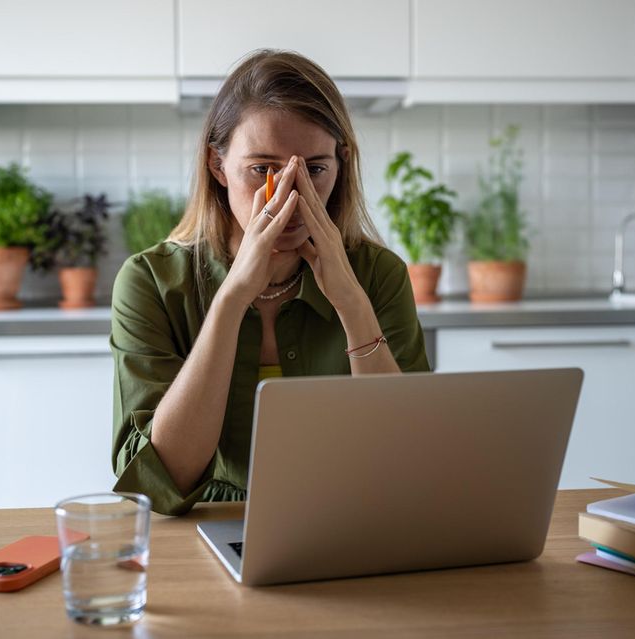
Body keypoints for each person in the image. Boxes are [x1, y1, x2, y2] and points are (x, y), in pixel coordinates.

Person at [111, 49, 430, 515]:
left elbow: (409, 461)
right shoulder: (149, 282)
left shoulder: (379, 276)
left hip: (347, 516)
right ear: (217, 167)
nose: (288, 196)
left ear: (340, 169)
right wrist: (232, 298)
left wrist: (351, 304)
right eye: (262, 169)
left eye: (314, 170)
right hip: (207, 523)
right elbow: (162, 482)